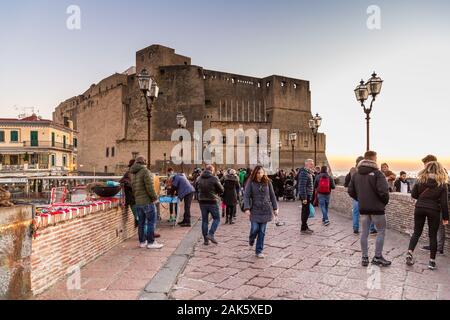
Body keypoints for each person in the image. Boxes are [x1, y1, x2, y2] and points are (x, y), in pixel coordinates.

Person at [348, 151, 391, 267]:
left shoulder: (356, 174)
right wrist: (383, 203)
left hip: (364, 208)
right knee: (381, 231)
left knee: (364, 233)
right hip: (377, 209)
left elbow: (350, 191)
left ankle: (364, 257)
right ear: (373, 159)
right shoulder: (378, 173)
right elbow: (384, 192)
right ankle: (377, 257)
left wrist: (361, 200)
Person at [406, 161, 449, 270]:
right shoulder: (442, 184)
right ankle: (431, 262)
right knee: (432, 235)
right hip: (434, 210)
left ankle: (410, 253)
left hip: (419, 208)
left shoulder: (421, 180)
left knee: (416, 232)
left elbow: (414, 194)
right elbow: (444, 203)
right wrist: (445, 218)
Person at [244, 166, 278, 258]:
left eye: (261, 173)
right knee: (255, 229)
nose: (260, 174)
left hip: (265, 209)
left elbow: (272, 196)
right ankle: (251, 239)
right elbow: (246, 196)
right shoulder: (250, 182)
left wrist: (275, 208)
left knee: (262, 231)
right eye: (258, 173)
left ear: (264, 173)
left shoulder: (268, 182)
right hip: (254, 209)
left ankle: (259, 251)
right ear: (255, 173)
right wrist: (246, 208)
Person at [130, 156, 163, 249]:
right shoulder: (145, 171)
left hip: (138, 202)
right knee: (151, 222)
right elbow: (150, 187)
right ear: (144, 162)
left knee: (141, 223)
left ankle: (142, 242)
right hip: (147, 201)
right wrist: (154, 198)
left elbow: (133, 188)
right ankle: (151, 242)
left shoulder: (133, 173)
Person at [421, 155, 448, 255]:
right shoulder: (430, 173)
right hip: (432, 204)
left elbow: (445, 186)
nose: (424, 166)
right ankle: (434, 245)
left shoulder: (441, 172)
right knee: (434, 227)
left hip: (439, 204)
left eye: (425, 164)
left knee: (440, 227)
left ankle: (439, 247)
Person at [345, 156, 377, 235]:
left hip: (357, 196)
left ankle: (356, 229)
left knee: (356, 213)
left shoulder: (353, 171)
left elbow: (347, 183)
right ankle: (372, 229)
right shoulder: (365, 171)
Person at [195, 164, 224, 245]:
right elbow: (221, 190)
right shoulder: (214, 178)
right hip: (212, 201)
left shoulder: (199, 178)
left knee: (204, 220)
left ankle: (205, 240)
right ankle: (211, 234)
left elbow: (196, 188)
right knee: (216, 218)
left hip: (202, 201)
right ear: (211, 170)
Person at [297, 159, 315, 234]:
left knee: (306, 212)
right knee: (305, 212)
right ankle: (303, 228)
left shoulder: (307, 172)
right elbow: (302, 186)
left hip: (307, 195)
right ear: (306, 164)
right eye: (311, 164)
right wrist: (304, 198)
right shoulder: (304, 173)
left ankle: (305, 227)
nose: (313, 165)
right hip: (305, 195)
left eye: (312, 164)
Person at [120, 159, 138, 227]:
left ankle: (144, 234)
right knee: (139, 218)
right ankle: (145, 234)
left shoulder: (134, 174)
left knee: (140, 218)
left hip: (135, 199)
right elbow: (122, 182)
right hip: (132, 200)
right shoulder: (129, 174)